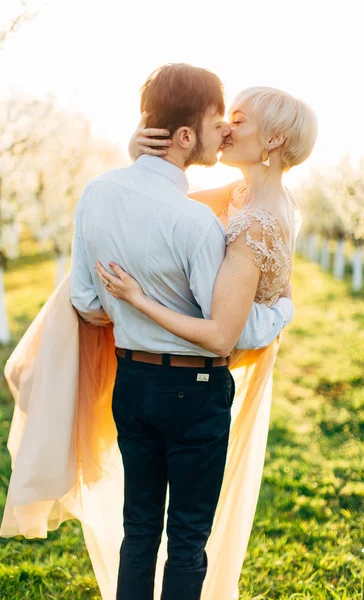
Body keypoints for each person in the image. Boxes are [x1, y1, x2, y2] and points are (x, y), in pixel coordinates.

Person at [0, 65, 308, 600]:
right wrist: (282, 312)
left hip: (133, 383)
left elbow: (88, 302)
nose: (227, 132)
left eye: (236, 122)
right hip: (197, 392)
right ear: (188, 135)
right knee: (187, 539)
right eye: (221, 121)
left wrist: (134, 312)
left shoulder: (98, 193)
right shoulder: (199, 223)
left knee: (138, 529)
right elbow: (225, 331)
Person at [95, 85, 318, 597]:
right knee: (171, 533)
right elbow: (167, 208)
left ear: (275, 138)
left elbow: (220, 335)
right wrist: (140, 159)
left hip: (192, 387)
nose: (226, 127)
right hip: (186, 392)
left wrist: (138, 299)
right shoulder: (255, 200)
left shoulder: (254, 224)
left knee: (173, 536)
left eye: (238, 119)